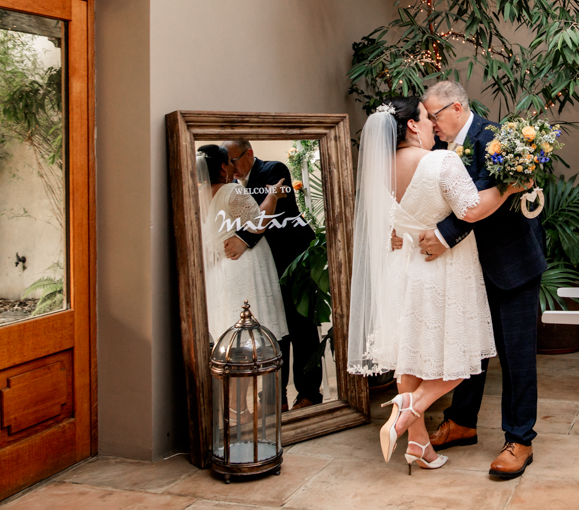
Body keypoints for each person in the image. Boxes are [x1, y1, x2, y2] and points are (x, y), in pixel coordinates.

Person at [347, 96, 529, 474]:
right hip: (444, 270)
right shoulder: (440, 159)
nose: (432, 124)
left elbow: (394, 220)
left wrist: (401, 234)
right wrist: (510, 187)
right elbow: (470, 209)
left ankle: (420, 445)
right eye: (425, 118)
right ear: (412, 125)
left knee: (410, 358)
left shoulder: (382, 168)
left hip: (410, 268)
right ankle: (411, 408)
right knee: (461, 359)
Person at [417, 80, 547, 480]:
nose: (431, 123)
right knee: (468, 347)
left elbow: (480, 199)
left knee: (516, 355)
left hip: (511, 265)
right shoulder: (441, 149)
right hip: (468, 270)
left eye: (434, 115)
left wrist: (442, 236)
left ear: (456, 108)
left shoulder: (496, 139)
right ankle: (462, 422)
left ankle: (520, 439)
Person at [220, 140, 322, 412]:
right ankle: (278, 398)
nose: (232, 167)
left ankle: (309, 393)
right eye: (228, 162)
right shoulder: (236, 185)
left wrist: (243, 240)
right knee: (278, 330)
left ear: (249, 153)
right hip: (268, 268)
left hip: (294, 261)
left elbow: (268, 212)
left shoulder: (273, 169)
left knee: (302, 328)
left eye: (234, 160)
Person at [197, 144, 289, 343]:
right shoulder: (231, 190)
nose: (232, 166)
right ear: (223, 168)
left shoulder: (198, 196)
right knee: (254, 334)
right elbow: (258, 222)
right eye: (229, 162)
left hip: (220, 269)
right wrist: (272, 195)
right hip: (243, 266)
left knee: (230, 336)